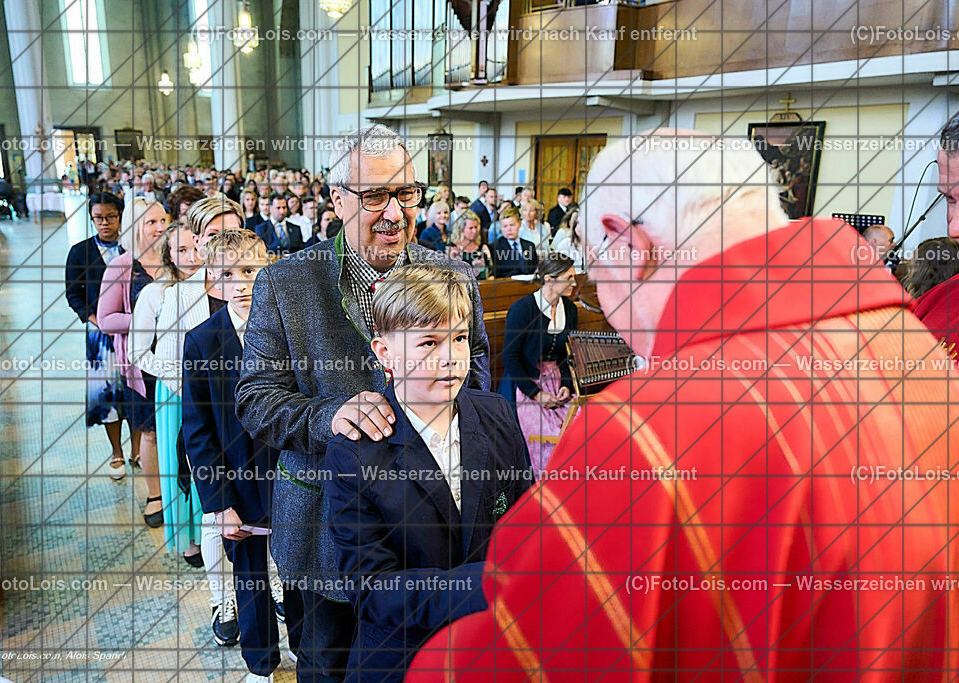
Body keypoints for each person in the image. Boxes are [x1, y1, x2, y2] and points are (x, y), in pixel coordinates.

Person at [410, 129, 959, 678]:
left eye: (596, 268)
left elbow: (517, 663)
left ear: (626, 242)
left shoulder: (641, 436)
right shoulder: (916, 348)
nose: (599, 292)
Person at [235, 124, 491, 682]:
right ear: (338, 199)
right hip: (324, 526)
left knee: (424, 666)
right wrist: (330, 416)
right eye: (375, 196)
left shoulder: (452, 276)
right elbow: (255, 399)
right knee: (326, 667)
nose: (395, 213)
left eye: (405, 193)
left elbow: (480, 382)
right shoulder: (287, 284)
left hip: (429, 525)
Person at [323, 264, 532, 682]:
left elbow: (525, 524)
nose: (450, 357)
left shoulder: (497, 414)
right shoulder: (356, 450)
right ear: (385, 353)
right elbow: (373, 590)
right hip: (406, 658)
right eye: (428, 342)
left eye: (458, 338)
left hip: (492, 646)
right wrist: (489, 584)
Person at [183, 229, 281, 682]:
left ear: (269, 270)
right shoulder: (202, 342)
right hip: (238, 485)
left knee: (299, 572)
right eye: (228, 274)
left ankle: (306, 647)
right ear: (212, 283)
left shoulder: (287, 329)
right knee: (251, 577)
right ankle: (260, 666)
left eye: (250, 270)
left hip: (289, 476)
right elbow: (198, 430)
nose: (240, 283)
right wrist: (219, 502)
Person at [154, 196, 243, 648]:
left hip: (255, 421)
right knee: (216, 512)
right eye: (213, 236)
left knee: (263, 511)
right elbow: (170, 364)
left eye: (233, 232)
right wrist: (207, 399)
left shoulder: (256, 286)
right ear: (197, 241)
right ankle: (222, 598)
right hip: (207, 422)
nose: (224, 244)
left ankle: (274, 584)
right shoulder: (182, 295)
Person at [128, 221, 203, 566]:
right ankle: (188, 537)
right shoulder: (155, 293)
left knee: (212, 463)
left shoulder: (216, 286)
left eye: (195, 247)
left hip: (213, 389)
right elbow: (138, 350)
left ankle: (212, 530)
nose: (190, 256)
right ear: (170, 254)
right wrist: (179, 376)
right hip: (174, 390)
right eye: (181, 250)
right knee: (180, 465)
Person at [96, 197, 169, 522]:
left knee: (180, 429)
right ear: (135, 226)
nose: (159, 227)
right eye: (151, 222)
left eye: (163, 220)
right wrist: (147, 318)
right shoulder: (122, 266)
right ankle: (155, 496)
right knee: (151, 433)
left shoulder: (176, 259)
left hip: (176, 359)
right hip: (142, 364)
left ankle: (182, 492)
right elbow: (105, 318)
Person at [65, 192, 130, 480]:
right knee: (107, 395)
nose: (104, 223)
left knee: (135, 390)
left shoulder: (131, 248)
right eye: (98, 218)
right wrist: (95, 319)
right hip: (100, 337)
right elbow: (73, 294)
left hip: (130, 329)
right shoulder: (80, 252)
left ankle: (139, 448)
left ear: (120, 216)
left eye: (110, 217)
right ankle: (117, 452)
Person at [498, 253, 578, 475]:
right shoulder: (523, 309)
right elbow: (510, 358)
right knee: (543, 435)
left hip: (557, 380)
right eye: (569, 277)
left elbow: (567, 355)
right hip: (524, 381)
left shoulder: (569, 310)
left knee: (580, 427)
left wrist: (567, 385)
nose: (574, 283)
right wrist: (537, 394)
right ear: (550, 280)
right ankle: (543, 487)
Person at [446, 210, 493, 280]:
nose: (474, 231)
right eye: (471, 228)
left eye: (476, 227)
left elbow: (491, 273)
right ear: (461, 229)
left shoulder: (483, 247)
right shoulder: (451, 248)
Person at [492, 207, 538, 277]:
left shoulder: (529, 246)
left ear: (519, 224)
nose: (509, 229)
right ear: (501, 227)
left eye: (512, 225)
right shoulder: (495, 247)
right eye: (505, 226)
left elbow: (534, 269)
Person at [549, 207, 585, 271]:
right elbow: (556, 264)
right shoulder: (566, 243)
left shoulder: (591, 244)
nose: (580, 227)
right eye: (577, 223)